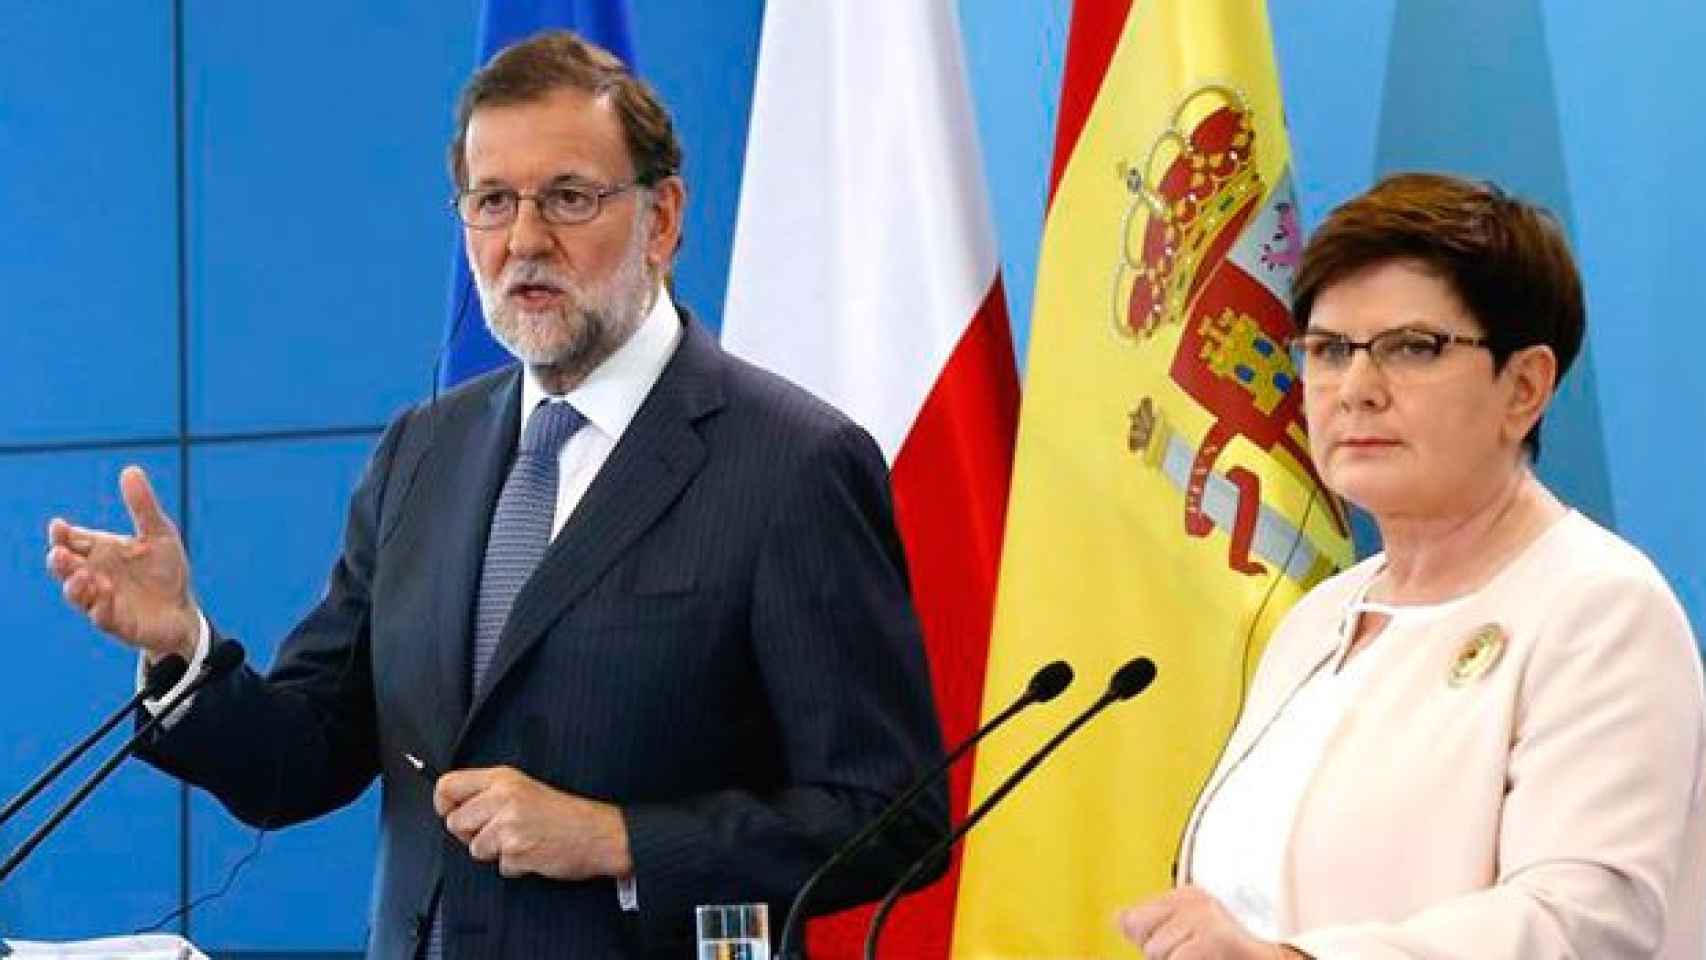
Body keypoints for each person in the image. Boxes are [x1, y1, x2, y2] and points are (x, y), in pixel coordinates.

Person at [44, 31, 946, 959]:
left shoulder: (791, 462)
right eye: (493, 201)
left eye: (569, 197)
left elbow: (890, 816)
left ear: (663, 218)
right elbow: (301, 760)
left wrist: (619, 840)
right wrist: (181, 646)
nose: (523, 240)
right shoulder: (422, 452)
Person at [1117, 173, 1706, 958]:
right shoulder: (1319, 618)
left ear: (1524, 387)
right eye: (1327, 351)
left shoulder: (1599, 608)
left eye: (1411, 348)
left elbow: (1581, 924)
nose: (1355, 389)